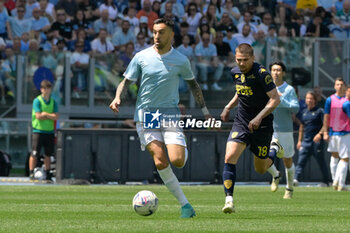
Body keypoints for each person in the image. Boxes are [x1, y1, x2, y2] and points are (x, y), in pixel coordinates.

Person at [109, 18, 211, 218]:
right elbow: (126, 80)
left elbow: (193, 85)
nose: (156, 36)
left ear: (171, 35)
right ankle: (185, 206)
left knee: (177, 160)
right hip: (147, 114)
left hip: (169, 114)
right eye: (154, 32)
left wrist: (205, 111)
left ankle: (180, 148)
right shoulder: (141, 57)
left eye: (161, 32)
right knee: (161, 160)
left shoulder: (181, 59)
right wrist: (117, 96)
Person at [220, 43, 282, 213]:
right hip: (242, 121)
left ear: (253, 58)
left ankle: (274, 149)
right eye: (238, 60)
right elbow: (240, 91)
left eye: (245, 60)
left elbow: (275, 99)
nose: (241, 63)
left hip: (262, 125)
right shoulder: (235, 72)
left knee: (260, 169)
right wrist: (228, 107)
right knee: (230, 156)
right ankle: (229, 201)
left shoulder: (262, 74)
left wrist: (258, 117)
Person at [266, 61, 299, 199]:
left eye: (279, 70)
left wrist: (280, 99)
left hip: (285, 130)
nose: (276, 72)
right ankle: (275, 174)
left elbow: (296, 108)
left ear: (283, 73)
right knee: (263, 157)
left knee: (287, 160)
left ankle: (289, 188)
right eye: (273, 70)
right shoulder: (265, 88)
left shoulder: (289, 89)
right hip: (268, 129)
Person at [294, 91, 330, 186]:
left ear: (314, 100)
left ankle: (326, 181)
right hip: (306, 142)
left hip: (317, 142)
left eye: (311, 98)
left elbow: (325, 124)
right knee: (300, 161)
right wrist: (299, 141)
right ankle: (295, 179)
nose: (309, 100)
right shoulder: (304, 112)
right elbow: (302, 126)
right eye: (307, 98)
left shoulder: (319, 111)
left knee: (321, 162)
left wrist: (319, 134)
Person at [29, 80, 59, 182]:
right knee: (34, 153)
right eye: (44, 88)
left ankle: (48, 172)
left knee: (48, 154)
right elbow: (38, 116)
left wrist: (45, 114)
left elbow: (56, 116)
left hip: (49, 131)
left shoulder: (53, 102)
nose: (46, 91)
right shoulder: (37, 101)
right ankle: (31, 171)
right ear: (41, 89)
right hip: (38, 131)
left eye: (48, 88)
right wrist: (49, 116)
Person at [322, 77, 349, 191]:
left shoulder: (346, 101)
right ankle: (338, 183)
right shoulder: (330, 100)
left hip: (344, 132)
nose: (339, 86)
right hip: (337, 132)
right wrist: (325, 131)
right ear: (334, 86)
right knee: (342, 158)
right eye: (337, 84)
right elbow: (326, 116)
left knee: (339, 157)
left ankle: (336, 182)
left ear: (344, 86)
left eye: (341, 84)